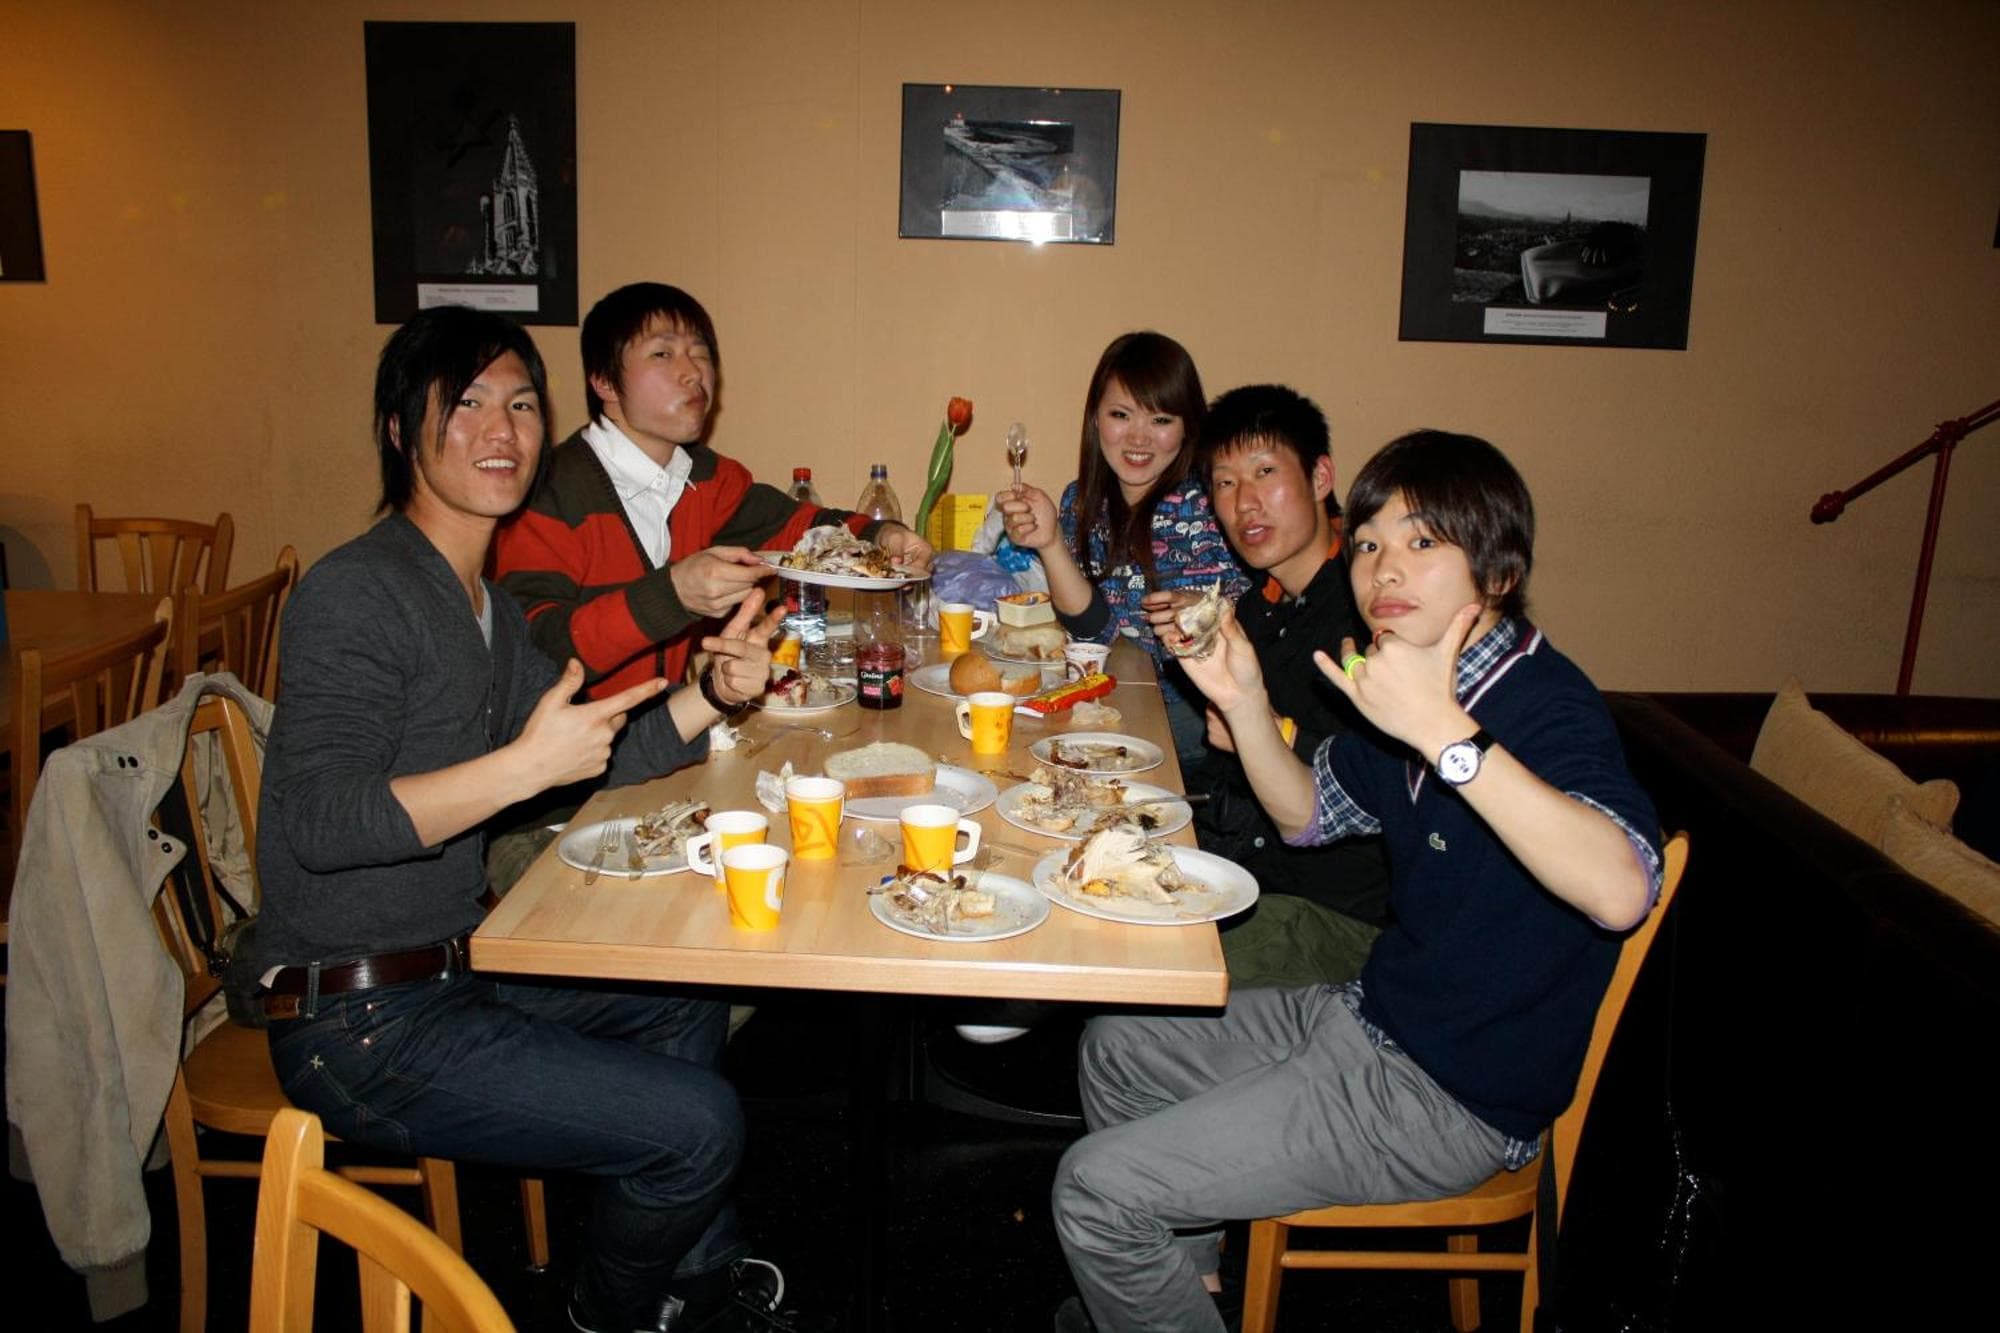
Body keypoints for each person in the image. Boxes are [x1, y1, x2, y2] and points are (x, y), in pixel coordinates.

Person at [252, 305, 812, 1333]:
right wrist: (516, 767)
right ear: (399, 430)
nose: (500, 430)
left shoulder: (486, 608)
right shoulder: (357, 592)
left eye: (518, 404)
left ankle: (692, 1274)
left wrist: (712, 694)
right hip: (356, 1019)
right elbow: (319, 824)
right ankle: (606, 1311)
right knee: (702, 1125)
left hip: (455, 966)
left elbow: (587, 758)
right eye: (464, 404)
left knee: (683, 999)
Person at [1051, 430, 1663, 1333]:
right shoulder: (1402, 684)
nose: (1384, 569)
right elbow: (1305, 812)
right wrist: (1244, 701)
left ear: (1498, 572)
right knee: (1118, 1047)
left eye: (1423, 542)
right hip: (1366, 1016)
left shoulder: (1543, 702)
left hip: (1450, 1096)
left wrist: (1447, 737)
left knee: (1094, 1192)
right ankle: (1187, 1293)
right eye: (1370, 543)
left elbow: (1621, 889)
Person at [493, 281, 933, 703]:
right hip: (571, 745)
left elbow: (800, 528)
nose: (693, 373)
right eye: (663, 354)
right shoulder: (548, 490)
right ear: (604, 381)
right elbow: (534, 649)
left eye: (700, 354)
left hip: (666, 728)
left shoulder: (705, 476)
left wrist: (883, 537)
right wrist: (672, 595)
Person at [1148, 384, 1391, 988]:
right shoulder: (1259, 608)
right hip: (1245, 868)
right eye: (1225, 483)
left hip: (1331, 913)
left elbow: (1384, 780)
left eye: (1264, 472)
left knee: (1143, 966)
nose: (1245, 503)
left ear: (1320, 477)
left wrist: (1265, 730)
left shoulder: (1373, 609)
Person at [996, 331, 1249, 766]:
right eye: (1121, 415)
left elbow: (1257, 623)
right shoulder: (1081, 501)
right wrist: (1050, 543)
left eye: (1161, 420)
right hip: (1121, 696)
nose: (1139, 438)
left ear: (1188, 426)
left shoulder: (1212, 502)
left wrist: (1209, 611)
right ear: (1096, 418)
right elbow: (1096, 630)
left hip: (1200, 719)